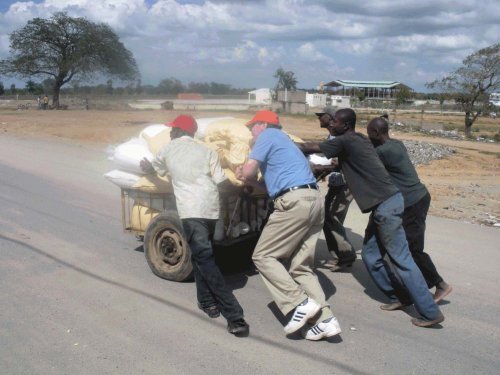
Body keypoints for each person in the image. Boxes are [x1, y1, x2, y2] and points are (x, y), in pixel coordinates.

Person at [298, 108, 444, 327]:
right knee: (370, 255)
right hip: (383, 205)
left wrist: (280, 142)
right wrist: (321, 169)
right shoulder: (358, 140)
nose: (331, 125)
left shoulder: (345, 140)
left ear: (345, 125)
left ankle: (430, 312)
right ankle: (400, 296)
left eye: (334, 122)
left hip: (387, 207)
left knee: (402, 260)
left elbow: (309, 147)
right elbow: (341, 164)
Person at [236, 110, 341, 341]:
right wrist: (252, 180)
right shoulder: (288, 143)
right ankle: (326, 320)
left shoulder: (267, 137)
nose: (250, 132)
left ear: (262, 124)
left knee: (263, 256)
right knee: (301, 267)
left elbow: (250, 169)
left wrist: (243, 172)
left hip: (294, 203)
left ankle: (299, 303)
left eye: (251, 126)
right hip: (313, 200)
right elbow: (272, 188)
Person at [140, 115, 249, 337]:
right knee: (202, 255)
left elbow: (154, 168)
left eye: (172, 130)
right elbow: (222, 182)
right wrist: (243, 190)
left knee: (206, 260)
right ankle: (206, 301)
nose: (170, 133)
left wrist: (146, 167)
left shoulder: (168, 149)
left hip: (191, 212)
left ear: (178, 132)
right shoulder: (207, 151)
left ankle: (233, 314)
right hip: (211, 210)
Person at [366, 117, 452, 303]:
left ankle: (440, 284)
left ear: (376, 133)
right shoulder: (396, 144)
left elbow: (366, 159)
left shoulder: (382, 151)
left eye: (369, 132)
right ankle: (409, 288)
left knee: (413, 249)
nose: (367, 135)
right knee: (401, 247)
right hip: (417, 198)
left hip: (412, 202)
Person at [313, 107, 356, 271]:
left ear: (330, 118)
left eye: (320, 116)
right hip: (337, 182)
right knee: (329, 218)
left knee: (331, 218)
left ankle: (345, 256)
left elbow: (338, 161)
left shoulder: (340, 136)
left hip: (344, 183)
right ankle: (340, 254)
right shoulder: (332, 135)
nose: (319, 119)